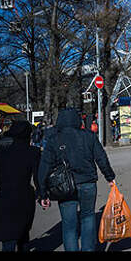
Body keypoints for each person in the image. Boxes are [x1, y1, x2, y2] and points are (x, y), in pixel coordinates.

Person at [38, 107, 115, 252]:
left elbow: (44, 167)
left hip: (64, 186)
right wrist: (109, 177)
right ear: (77, 120)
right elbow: (101, 158)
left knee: (69, 225)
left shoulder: (54, 140)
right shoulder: (88, 136)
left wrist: (43, 193)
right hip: (87, 183)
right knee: (88, 218)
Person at [0, 120, 41, 252]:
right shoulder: (33, 152)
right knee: (23, 233)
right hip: (25, 196)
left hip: (5, 195)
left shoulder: (2, 152)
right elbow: (37, 177)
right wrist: (42, 195)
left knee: (8, 237)